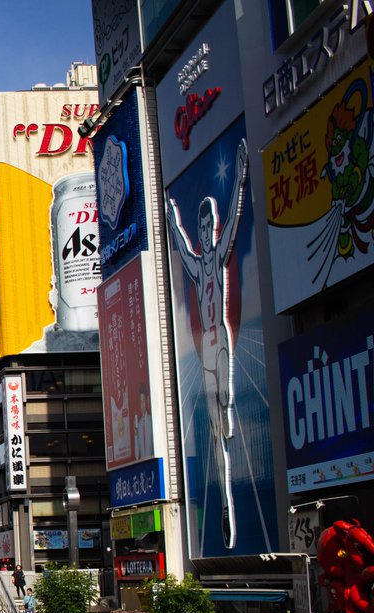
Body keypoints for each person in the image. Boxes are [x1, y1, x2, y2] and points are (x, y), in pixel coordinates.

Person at [166, 138, 249, 550]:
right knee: (217, 428)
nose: (204, 232)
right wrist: (169, 215)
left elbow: (235, 213)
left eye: (207, 227)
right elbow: (179, 247)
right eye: (199, 228)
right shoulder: (200, 266)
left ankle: (229, 500)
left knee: (225, 416)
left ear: (212, 229)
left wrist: (241, 173)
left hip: (219, 341)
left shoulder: (216, 259)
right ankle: (225, 506)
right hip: (207, 345)